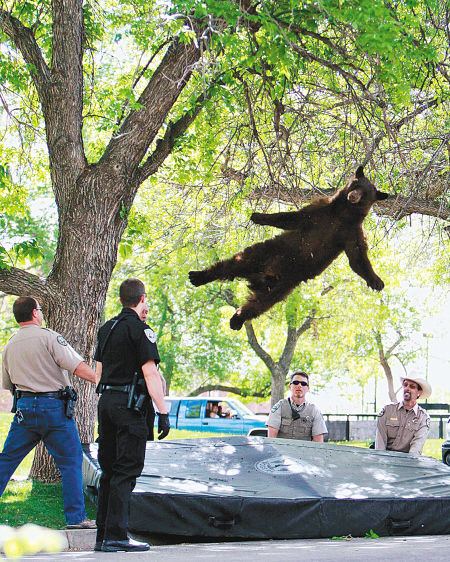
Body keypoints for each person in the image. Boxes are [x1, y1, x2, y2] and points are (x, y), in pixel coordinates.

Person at [0, 296, 96, 529]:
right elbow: (76, 366)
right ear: (35, 313)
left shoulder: (10, 345)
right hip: (54, 409)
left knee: (6, 462)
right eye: (40, 310)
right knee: (71, 463)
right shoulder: (49, 337)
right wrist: (100, 381)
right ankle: (75, 519)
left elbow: (7, 383)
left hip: (24, 410)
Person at [94, 278, 170, 553]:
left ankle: (102, 535)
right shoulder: (140, 330)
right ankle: (117, 535)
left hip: (107, 403)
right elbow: (150, 373)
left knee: (108, 471)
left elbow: (99, 374)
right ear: (142, 299)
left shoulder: (107, 329)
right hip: (130, 406)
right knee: (126, 470)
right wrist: (162, 411)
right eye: (146, 300)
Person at [375, 374, 431, 454]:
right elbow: (380, 446)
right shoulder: (387, 411)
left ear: (419, 392)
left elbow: (415, 450)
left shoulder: (423, 418)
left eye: (412, 386)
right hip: (384, 460)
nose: (407, 388)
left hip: (407, 462)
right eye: (405, 385)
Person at [266, 371, 327, 441]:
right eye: (296, 383)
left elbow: (318, 443)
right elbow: (271, 440)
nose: (299, 386)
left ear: (308, 388)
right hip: (282, 451)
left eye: (303, 384)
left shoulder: (314, 411)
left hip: (304, 451)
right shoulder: (280, 407)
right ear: (290, 386)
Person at [139, 303, 167, 441]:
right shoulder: (142, 332)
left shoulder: (147, 333)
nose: (144, 314)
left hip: (144, 400)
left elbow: (151, 370)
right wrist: (163, 412)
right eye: (142, 311)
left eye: (147, 312)